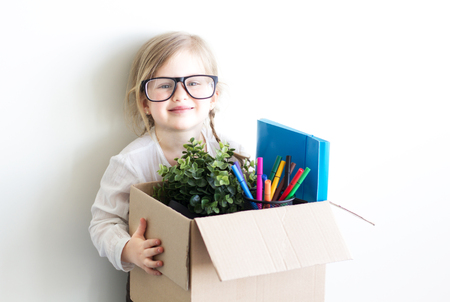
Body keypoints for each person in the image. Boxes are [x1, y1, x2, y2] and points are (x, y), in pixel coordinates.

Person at [89, 31, 249, 301]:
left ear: (213, 96)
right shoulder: (132, 162)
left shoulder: (233, 155)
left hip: (215, 282)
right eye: (164, 85)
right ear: (145, 103)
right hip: (156, 281)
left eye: (194, 83)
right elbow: (103, 222)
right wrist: (129, 249)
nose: (180, 95)